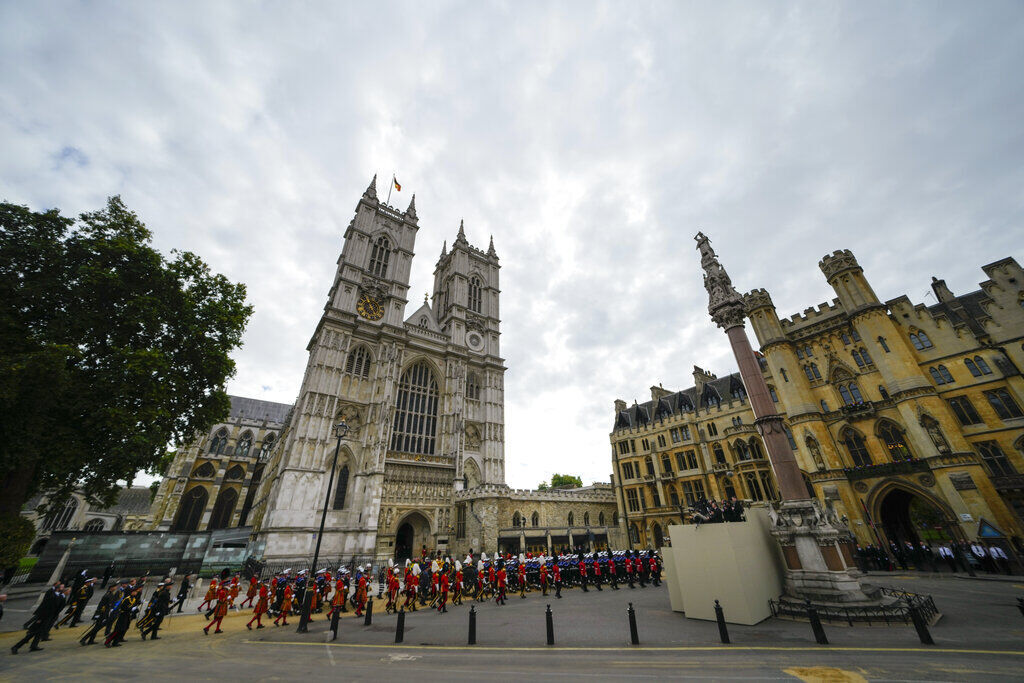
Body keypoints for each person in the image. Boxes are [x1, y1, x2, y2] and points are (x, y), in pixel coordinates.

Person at [12, 584, 65, 654]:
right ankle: (16, 646)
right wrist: (40, 618)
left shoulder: (58, 596)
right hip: (43, 617)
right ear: (58, 589)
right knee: (33, 633)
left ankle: (34, 645)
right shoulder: (51, 596)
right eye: (61, 588)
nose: (63, 589)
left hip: (47, 617)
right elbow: (44, 608)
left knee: (39, 633)